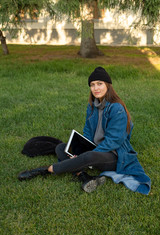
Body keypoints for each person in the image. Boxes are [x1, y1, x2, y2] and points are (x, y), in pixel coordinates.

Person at [18, 67, 151, 194]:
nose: (95, 88)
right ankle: (83, 176)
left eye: (99, 83)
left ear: (108, 85)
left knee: (89, 156)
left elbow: (113, 141)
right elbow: (87, 131)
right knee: (61, 148)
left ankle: (48, 170)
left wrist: (86, 154)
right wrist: (80, 150)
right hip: (95, 149)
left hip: (114, 155)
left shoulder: (116, 109)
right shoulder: (92, 106)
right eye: (92, 84)